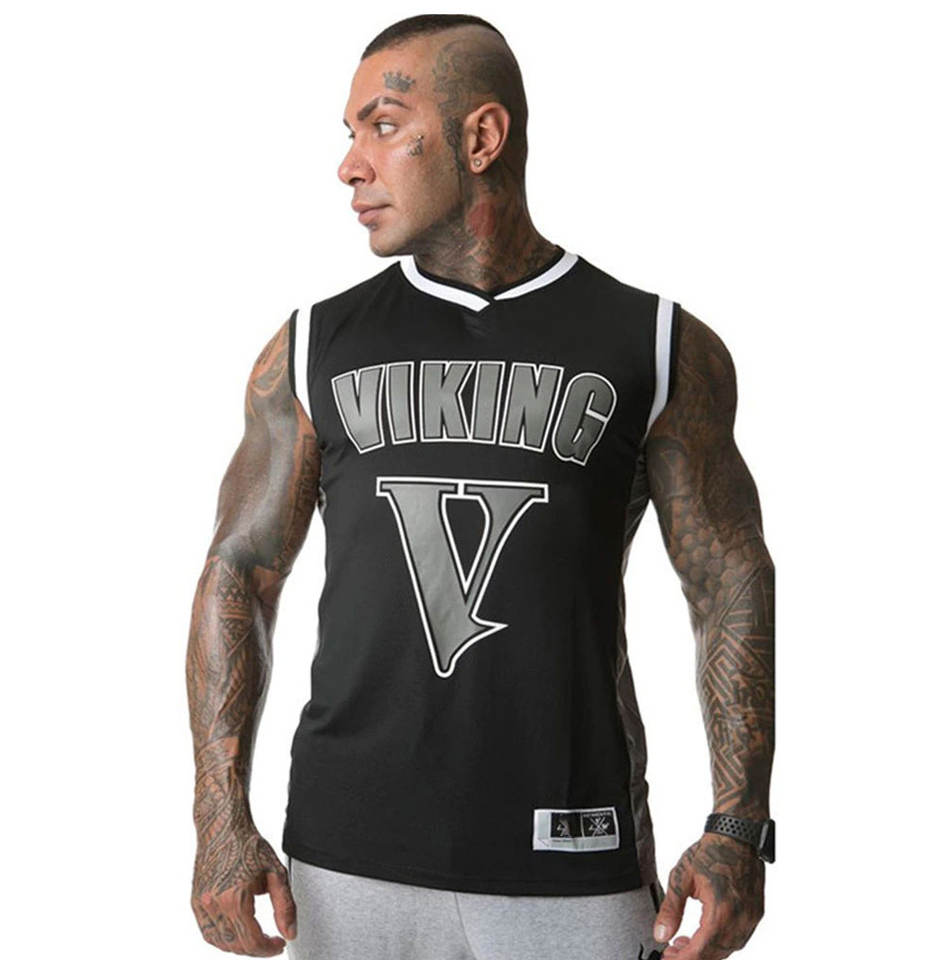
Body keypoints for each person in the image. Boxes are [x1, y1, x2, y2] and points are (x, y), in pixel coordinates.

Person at [185, 13, 775, 960]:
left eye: (383, 126)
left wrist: (738, 826)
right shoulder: (310, 346)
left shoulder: (658, 343)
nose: (349, 166)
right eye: (351, 133)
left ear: (481, 138)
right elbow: (238, 571)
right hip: (344, 860)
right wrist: (221, 816)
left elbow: (728, 580)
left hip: (574, 851)